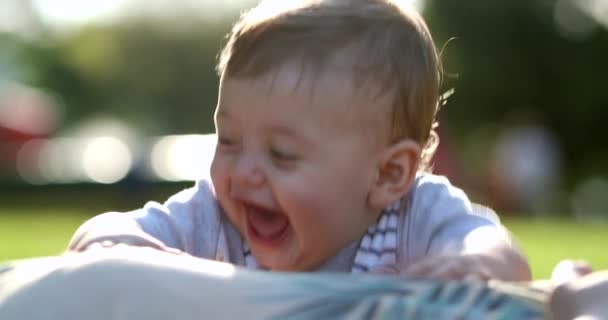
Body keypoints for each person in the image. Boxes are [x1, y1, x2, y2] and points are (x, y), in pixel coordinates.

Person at [68, 0, 531, 282]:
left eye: (282, 155)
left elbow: (496, 250)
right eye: (228, 140)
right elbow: (104, 232)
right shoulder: (216, 217)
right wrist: (127, 252)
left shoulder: (415, 217)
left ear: (388, 173)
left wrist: (469, 265)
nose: (243, 172)